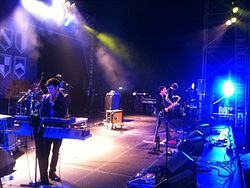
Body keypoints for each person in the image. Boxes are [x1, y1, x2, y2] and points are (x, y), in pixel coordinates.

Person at [37, 77, 68, 185]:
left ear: (57, 88)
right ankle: (43, 176)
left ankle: (52, 172)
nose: (49, 91)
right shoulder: (46, 98)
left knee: (55, 151)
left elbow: (63, 113)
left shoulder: (63, 98)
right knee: (45, 152)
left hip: (58, 129)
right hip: (48, 128)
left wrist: (53, 104)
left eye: (51, 89)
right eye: (48, 89)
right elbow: (41, 112)